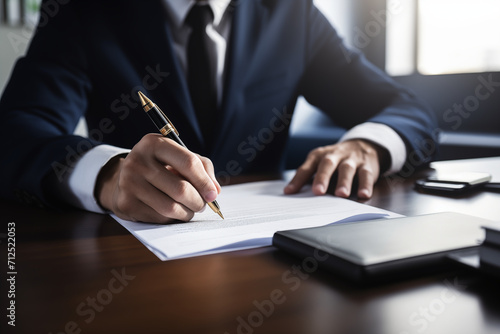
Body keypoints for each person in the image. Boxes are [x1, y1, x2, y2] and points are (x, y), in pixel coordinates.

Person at [0, 0, 437, 223]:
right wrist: (107, 175)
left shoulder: (292, 14)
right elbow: (15, 131)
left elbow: (406, 107)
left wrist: (368, 145)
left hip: (270, 260)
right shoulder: (84, 11)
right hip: (133, 264)